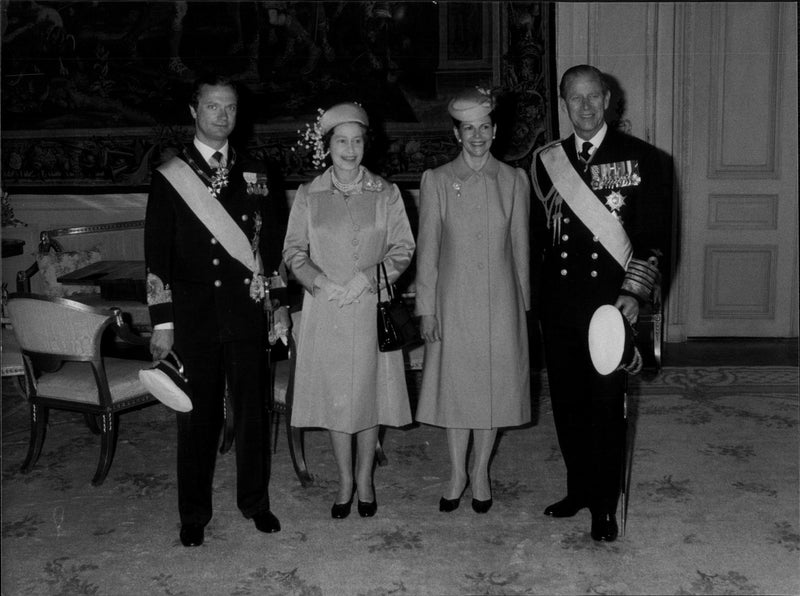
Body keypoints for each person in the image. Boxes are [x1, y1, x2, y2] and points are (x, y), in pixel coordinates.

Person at [145, 73, 287, 547]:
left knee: (254, 412)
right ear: (194, 112)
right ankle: (193, 514)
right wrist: (162, 324)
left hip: (247, 312)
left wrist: (279, 306)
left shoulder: (258, 170)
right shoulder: (170, 174)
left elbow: (274, 248)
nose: (222, 116)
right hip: (194, 316)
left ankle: (256, 503)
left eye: (229, 108)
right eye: (212, 107)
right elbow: (157, 255)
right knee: (197, 417)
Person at [530, 65, 671, 542]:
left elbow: (653, 241)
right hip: (561, 306)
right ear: (564, 104)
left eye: (593, 96)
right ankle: (579, 490)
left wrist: (633, 293)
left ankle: (604, 506)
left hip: (612, 308)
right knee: (567, 404)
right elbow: (536, 243)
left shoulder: (646, 160)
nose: (585, 107)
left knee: (607, 407)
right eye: (575, 98)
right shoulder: (545, 161)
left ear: (608, 98)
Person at [283, 102, 415, 519]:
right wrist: (320, 282)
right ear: (328, 146)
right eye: (342, 140)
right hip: (327, 309)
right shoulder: (309, 195)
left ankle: (366, 481)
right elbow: (292, 251)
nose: (350, 149)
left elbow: (403, 248)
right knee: (339, 401)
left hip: (370, 307)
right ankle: (344, 481)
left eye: (357, 140)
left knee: (368, 396)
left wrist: (369, 279)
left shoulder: (386, 192)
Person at [414, 87, 531, 514]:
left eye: (484, 127)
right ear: (456, 134)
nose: (477, 136)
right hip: (453, 303)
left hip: (501, 301)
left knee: (494, 389)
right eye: (469, 129)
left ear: (495, 130)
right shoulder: (438, 180)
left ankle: (480, 470)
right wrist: (425, 307)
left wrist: (524, 307)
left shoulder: (515, 181)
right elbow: (427, 251)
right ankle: (457, 471)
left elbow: (520, 249)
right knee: (457, 390)